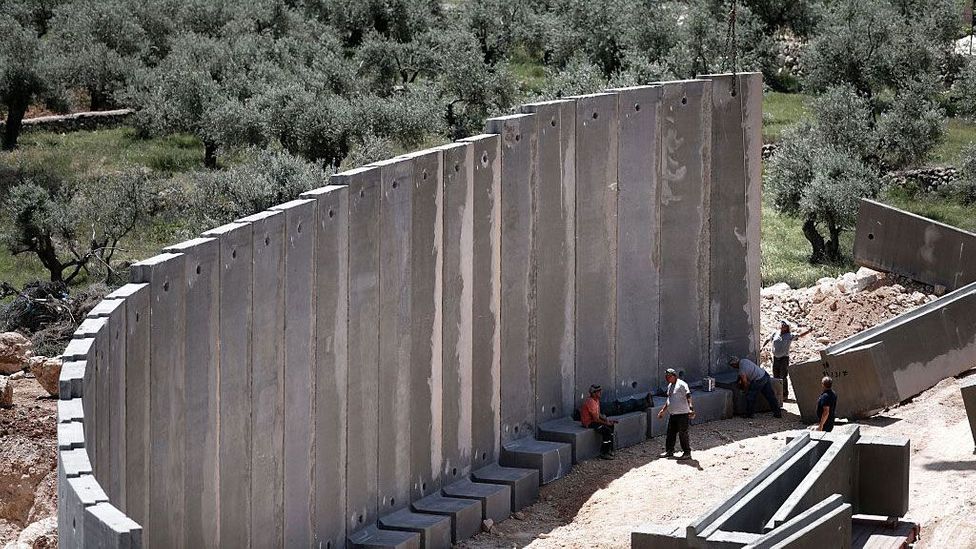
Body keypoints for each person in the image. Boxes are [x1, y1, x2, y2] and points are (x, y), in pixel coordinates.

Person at [762, 321, 812, 400]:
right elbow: (768, 339)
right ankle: (777, 394)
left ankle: (784, 395)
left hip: (784, 358)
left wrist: (808, 331)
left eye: (784, 326)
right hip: (775, 358)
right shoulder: (775, 333)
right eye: (782, 325)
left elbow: (799, 335)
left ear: (786, 328)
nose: (782, 326)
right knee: (776, 376)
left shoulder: (789, 335)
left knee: (783, 376)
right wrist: (762, 347)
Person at [657, 368, 695, 461]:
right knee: (670, 433)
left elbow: (688, 396)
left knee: (683, 434)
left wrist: (691, 408)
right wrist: (663, 410)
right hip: (673, 414)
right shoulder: (670, 385)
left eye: (669, 376)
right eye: (666, 376)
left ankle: (687, 453)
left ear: (674, 376)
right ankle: (669, 451)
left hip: (682, 414)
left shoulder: (682, 384)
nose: (667, 378)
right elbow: (669, 400)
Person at [580, 385, 618, 459]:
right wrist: (606, 423)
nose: (600, 393)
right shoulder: (591, 402)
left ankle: (609, 449)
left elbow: (598, 414)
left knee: (611, 426)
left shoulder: (596, 400)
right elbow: (596, 419)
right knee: (606, 430)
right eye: (598, 392)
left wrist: (607, 420)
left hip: (594, 420)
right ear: (593, 393)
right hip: (589, 422)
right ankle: (604, 453)